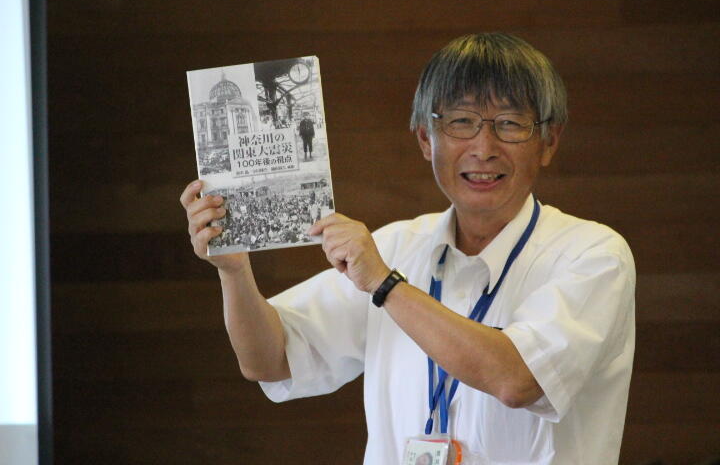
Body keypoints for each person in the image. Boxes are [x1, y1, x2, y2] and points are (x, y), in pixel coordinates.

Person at [180, 33, 635, 465]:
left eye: (510, 124)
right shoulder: (395, 245)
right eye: (461, 122)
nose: (483, 148)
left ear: (548, 142)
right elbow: (270, 360)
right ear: (425, 139)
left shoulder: (593, 255)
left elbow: (518, 380)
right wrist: (234, 273)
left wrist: (385, 284)